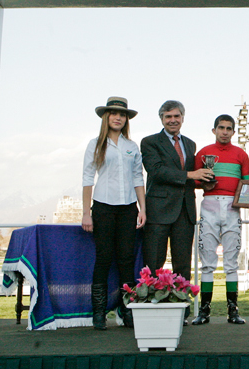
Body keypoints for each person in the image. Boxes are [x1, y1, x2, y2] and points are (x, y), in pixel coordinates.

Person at [82, 96, 146, 330]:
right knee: (104, 258)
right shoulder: (95, 144)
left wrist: (142, 209)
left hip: (128, 208)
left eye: (122, 115)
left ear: (126, 119)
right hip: (103, 206)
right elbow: (87, 178)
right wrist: (86, 213)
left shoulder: (132, 146)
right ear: (106, 117)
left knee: (126, 259)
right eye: (114, 113)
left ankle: (127, 311)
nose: (118, 118)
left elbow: (138, 177)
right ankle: (99, 313)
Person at [140, 101, 214, 293]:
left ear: (182, 118)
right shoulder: (149, 142)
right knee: (154, 263)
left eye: (176, 116)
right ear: (161, 119)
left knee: (183, 265)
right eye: (168, 117)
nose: (173, 120)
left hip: (185, 210)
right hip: (158, 211)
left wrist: (203, 182)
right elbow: (156, 171)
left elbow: (189, 177)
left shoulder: (190, 144)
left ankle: (182, 304)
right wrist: (191, 175)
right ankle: (151, 302)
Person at [191, 114, 249, 325]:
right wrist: (203, 184)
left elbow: (247, 185)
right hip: (209, 205)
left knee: (231, 263)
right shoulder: (203, 153)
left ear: (233, 131)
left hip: (232, 207)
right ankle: (204, 311)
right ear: (214, 130)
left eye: (228, 128)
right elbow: (194, 180)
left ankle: (233, 310)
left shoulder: (241, 154)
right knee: (207, 263)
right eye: (221, 128)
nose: (224, 132)